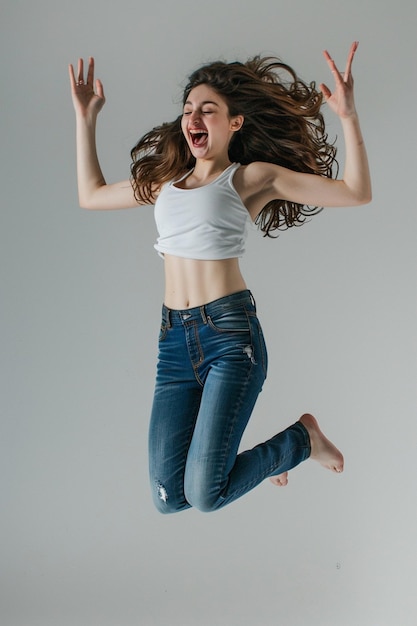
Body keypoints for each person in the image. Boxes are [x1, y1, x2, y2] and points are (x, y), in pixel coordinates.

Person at [69, 42, 371, 514]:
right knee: (170, 499)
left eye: (208, 109)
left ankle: (300, 441)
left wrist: (348, 117)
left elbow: (355, 192)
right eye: (189, 108)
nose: (194, 116)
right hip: (173, 343)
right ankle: (285, 452)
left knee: (206, 494)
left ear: (235, 123)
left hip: (230, 338)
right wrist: (86, 119)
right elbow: (90, 195)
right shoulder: (166, 182)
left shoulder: (249, 177)